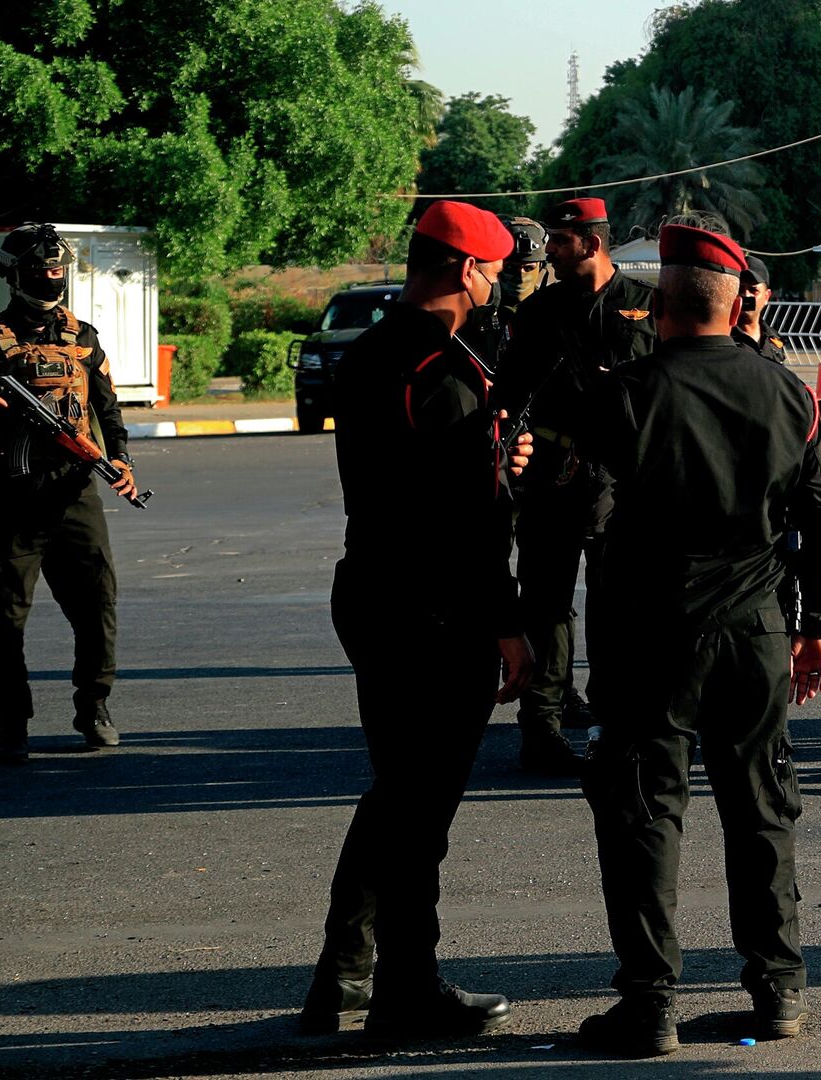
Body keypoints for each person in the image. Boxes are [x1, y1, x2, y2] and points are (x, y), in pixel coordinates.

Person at [576, 224, 821, 1056]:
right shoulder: (788, 393)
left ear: (656, 307)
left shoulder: (625, 395)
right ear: (735, 305)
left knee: (646, 810)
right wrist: (812, 624)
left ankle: (650, 1003)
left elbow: (586, 510)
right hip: (758, 628)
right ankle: (777, 990)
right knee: (762, 806)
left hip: (652, 632)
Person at [301, 201, 536, 1038]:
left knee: (397, 797)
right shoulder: (441, 371)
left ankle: (345, 977)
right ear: (466, 270)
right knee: (420, 811)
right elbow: (465, 520)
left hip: (375, 588)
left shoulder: (375, 351)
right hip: (433, 608)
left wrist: (494, 455)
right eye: (494, 268)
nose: (500, 282)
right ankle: (407, 989)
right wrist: (506, 621)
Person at [0, 222, 136, 764]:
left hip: (73, 494)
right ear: (14, 273)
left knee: (97, 604)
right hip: (7, 499)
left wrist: (121, 462)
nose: (51, 275)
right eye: (41, 268)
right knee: (4, 615)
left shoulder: (83, 336)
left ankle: (94, 706)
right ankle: (12, 723)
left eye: (57, 268)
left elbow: (107, 411)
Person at [500, 197, 657, 774]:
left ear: (591, 243)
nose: (550, 254)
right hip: (552, 474)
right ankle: (540, 729)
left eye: (560, 243)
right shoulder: (540, 312)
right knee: (545, 606)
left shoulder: (646, 306)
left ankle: (615, 725)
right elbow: (510, 389)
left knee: (619, 608)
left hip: (622, 479)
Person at [733, 256, 821, 652]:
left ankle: (802, 623)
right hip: (746, 466)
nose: (748, 295)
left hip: (784, 465)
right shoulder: (724, 343)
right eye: (742, 289)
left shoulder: (773, 342)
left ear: (768, 295)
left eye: (755, 289)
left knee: (801, 548)